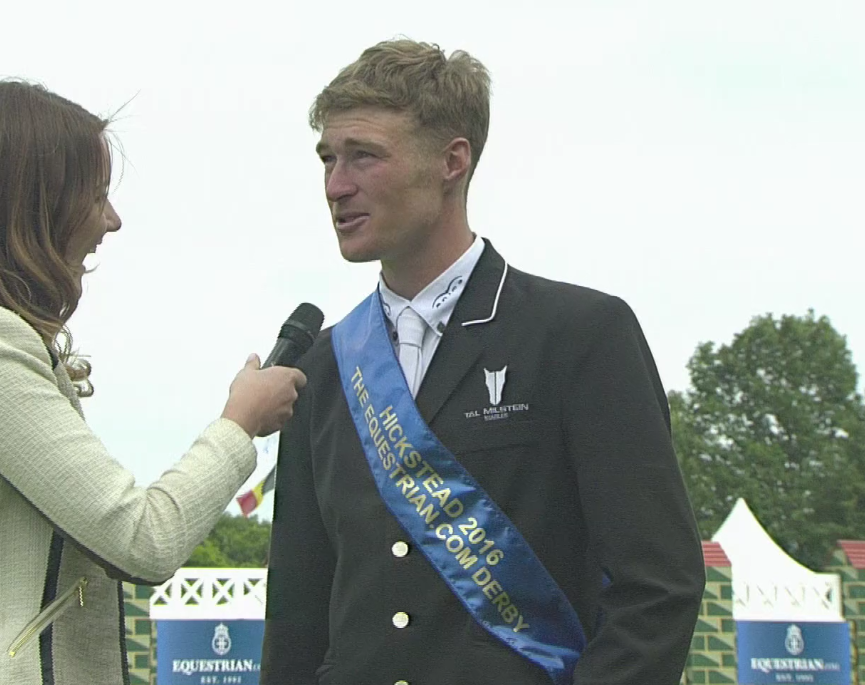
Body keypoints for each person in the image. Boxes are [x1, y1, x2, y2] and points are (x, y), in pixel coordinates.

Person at [261, 40, 705, 685]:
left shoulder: (580, 336)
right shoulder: (323, 366)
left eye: (365, 156)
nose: (336, 185)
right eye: (328, 158)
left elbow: (658, 586)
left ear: (452, 160)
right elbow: (297, 614)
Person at [0, 80, 306, 685]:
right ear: (33, 204)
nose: (112, 220)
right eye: (94, 195)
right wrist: (240, 424)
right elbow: (143, 540)